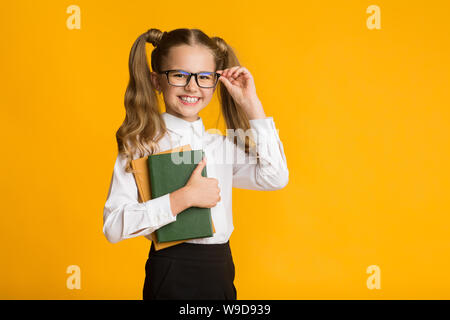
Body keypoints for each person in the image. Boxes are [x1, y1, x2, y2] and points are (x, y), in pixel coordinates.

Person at [103, 28, 289, 300]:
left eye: (204, 77)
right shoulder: (142, 144)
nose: (192, 87)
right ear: (157, 80)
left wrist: (252, 105)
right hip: (170, 269)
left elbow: (275, 177)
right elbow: (113, 226)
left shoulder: (221, 146)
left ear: (215, 82)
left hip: (220, 267)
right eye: (179, 75)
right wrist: (183, 198)